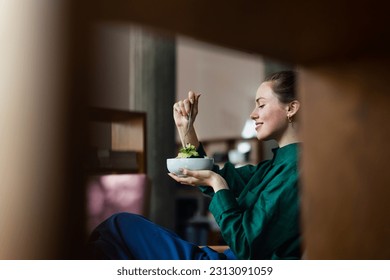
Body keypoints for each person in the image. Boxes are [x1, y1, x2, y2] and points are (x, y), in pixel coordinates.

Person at [86, 70, 302, 260]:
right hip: (224, 259)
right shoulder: (274, 166)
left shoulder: (295, 170)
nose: (253, 114)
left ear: (291, 108)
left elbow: (246, 246)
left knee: (120, 227)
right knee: (113, 241)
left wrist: (217, 184)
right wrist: (186, 127)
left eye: (261, 104)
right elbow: (209, 174)